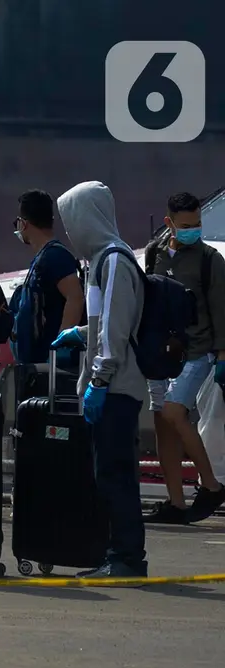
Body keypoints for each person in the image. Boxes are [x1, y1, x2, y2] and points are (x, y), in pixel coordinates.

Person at [50, 180, 148, 579]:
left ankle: (126, 557)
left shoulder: (114, 261)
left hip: (117, 388)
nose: (70, 232)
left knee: (116, 475)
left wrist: (100, 379)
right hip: (110, 385)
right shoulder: (99, 263)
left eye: (72, 221)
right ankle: (117, 553)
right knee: (108, 475)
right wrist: (81, 336)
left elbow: (116, 328)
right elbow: (103, 324)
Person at [143, 192, 225, 524]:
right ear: (170, 223)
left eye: (198, 225)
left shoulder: (209, 260)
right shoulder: (155, 254)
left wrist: (221, 354)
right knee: (163, 423)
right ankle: (175, 503)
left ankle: (212, 484)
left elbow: (221, 308)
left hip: (198, 351)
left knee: (176, 412)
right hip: (162, 354)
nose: (193, 231)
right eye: (186, 225)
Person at [11, 189, 85, 398]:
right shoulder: (43, 258)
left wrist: (60, 346)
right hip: (36, 366)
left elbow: (75, 297)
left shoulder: (55, 256)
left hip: (51, 368)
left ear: (22, 223)